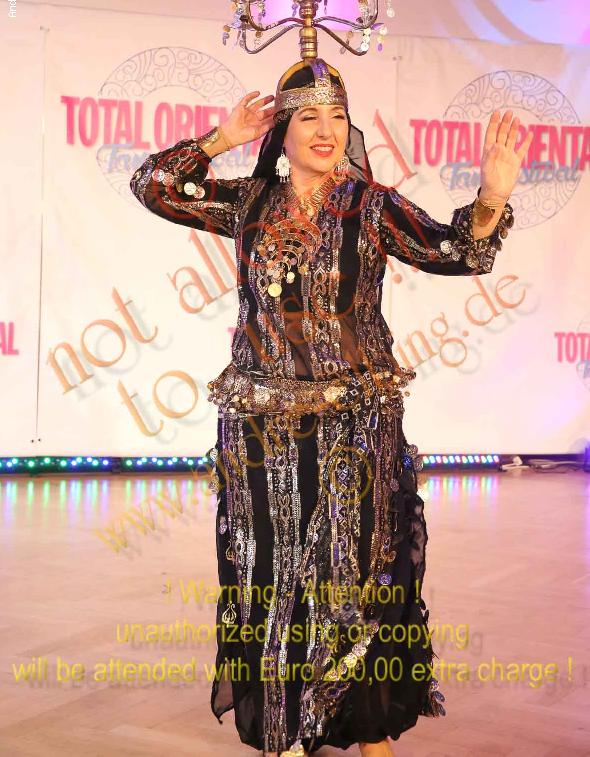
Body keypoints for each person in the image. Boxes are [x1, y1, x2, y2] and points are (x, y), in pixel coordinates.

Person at [129, 58, 532, 757]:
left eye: (337, 116)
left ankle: (366, 726)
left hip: (356, 425)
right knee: (270, 570)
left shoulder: (370, 206)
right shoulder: (249, 203)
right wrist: (220, 139)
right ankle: (285, 724)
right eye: (308, 116)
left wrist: (492, 197)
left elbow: (456, 251)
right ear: (281, 130)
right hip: (261, 429)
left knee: (357, 573)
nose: (325, 130)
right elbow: (154, 186)